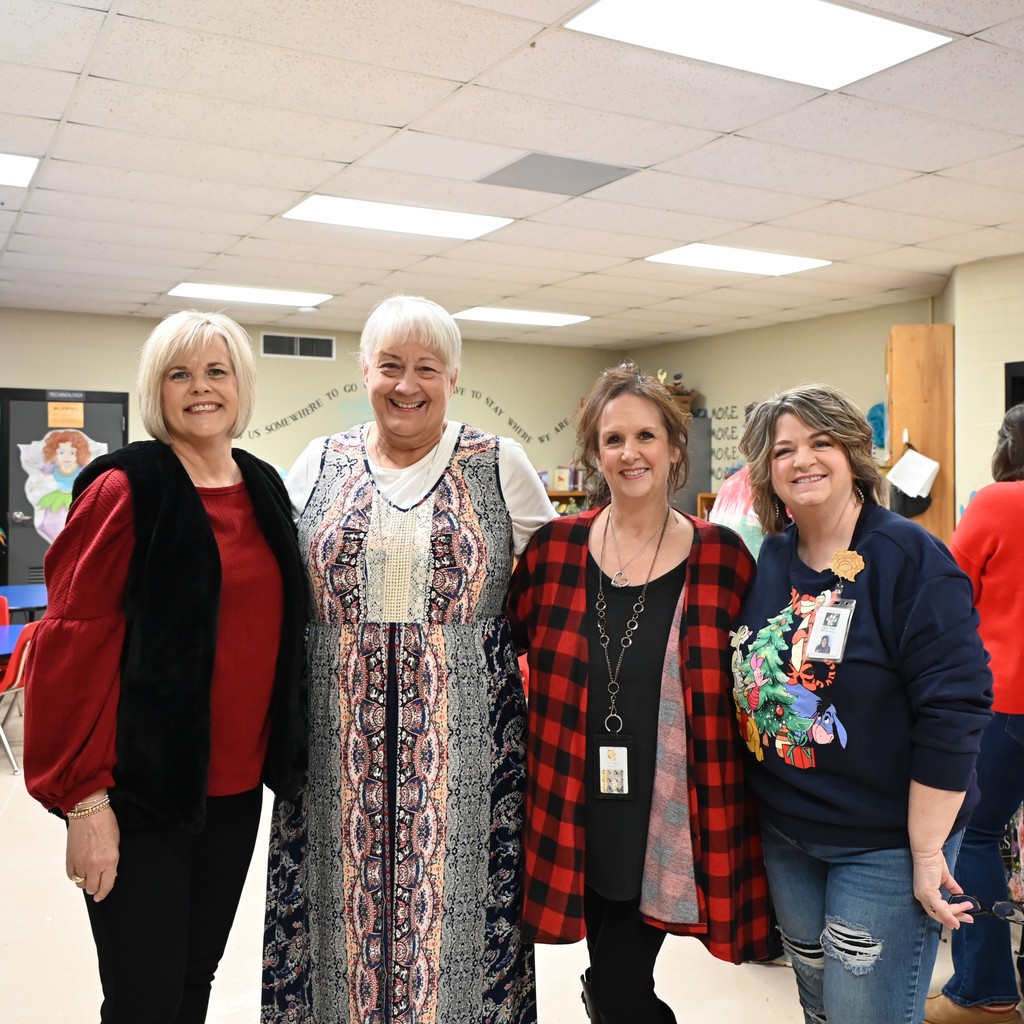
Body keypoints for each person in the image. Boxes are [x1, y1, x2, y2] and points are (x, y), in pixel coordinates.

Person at [262, 294, 554, 1024]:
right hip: (333, 756)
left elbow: (560, 584)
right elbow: (267, 581)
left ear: (453, 378)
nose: (406, 384)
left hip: (468, 759)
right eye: (390, 365)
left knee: (460, 938)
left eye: (427, 367)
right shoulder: (319, 461)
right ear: (365, 370)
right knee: (334, 932)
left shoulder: (499, 464)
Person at [23, 310, 308, 1023]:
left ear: (241, 385)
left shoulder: (265, 486)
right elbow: (70, 649)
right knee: (143, 1001)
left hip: (236, 793)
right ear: (157, 390)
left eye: (216, 371)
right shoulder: (127, 488)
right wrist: (84, 803)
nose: (200, 387)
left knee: (192, 984)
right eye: (180, 374)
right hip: (140, 796)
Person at [507, 362, 776, 1024]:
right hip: (575, 800)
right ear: (595, 455)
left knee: (619, 985)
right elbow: (502, 649)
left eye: (647, 436)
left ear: (675, 448)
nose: (631, 453)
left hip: (670, 805)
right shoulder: (555, 550)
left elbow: (758, 676)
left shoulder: (723, 559)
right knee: (608, 977)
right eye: (614, 439)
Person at [731, 383, 993, 1024]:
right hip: (787, 833)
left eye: (820, 442)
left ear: (853, 453)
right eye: (783, 449)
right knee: (819, 1008)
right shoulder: (773, 556)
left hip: (885, 845)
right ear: (767, 470)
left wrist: (927, 852)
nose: (802, 460)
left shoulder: (908, 558)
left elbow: (955, 709)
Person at [927, 403, 1024, 1024]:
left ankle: (985, 992)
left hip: (1007, 703)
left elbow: (948, 589)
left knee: (972, 837)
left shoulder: (998, 501)